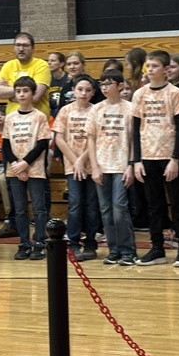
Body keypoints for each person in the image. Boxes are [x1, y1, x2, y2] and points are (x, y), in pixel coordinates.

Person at [132, 50, 179, 268]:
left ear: (166, 70)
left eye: (154, 66)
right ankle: (157, 247)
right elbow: (136, 128)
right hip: (148, 156)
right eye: (148, 66)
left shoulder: (175, 93)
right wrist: (136, 160)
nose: (149, 69)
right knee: (153, 205)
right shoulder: (139, 95)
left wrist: (176, 158)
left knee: (178, 202)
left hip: (170, 157)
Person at [85, 69, 137, 266]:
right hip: (102, 165)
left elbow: (133, 140)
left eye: (108, 84)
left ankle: (128, 250)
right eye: (102, 84)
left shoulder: (130, 108)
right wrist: (95, 167)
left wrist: (131, 165)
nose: (104, 87)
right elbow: (91, 139)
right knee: (105, 210)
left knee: (119, 208)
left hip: (121, 165)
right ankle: (114, 249)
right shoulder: (96, 109)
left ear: (120, 85)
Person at [3, 76, 52, 261]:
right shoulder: (10, 118)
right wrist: (16, 164)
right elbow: (6, 145)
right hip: (15, 170)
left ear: (32, 93)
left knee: (39, 209)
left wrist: (25, 163)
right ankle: (24, 243)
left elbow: (42, 144)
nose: (22, 94)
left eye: (25, 91)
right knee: (20, 209)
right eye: (18, 91)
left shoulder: (39, 117)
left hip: (35, 169)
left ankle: (39, 242)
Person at [52, 73, 100, 261]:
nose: (83, 93)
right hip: (72, 166)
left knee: (91, 205)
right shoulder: (65, 111)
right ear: (73, 90)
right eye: (80, 89)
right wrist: (75, 160)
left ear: (93, 92)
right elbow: (59, 138)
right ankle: (72, 243)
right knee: (75, 204)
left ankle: (90, 243)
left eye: (88, 90)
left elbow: (97, 139)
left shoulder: (96, 110)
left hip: (92, 164)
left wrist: (83, 160)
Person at [0, 33, 51, 117]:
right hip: (13, 121)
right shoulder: (8, 65)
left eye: (25, 45)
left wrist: (10, 94)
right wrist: (27, 92)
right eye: (18, 45)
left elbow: (35, 97)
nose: (21, 49)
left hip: (35, 121)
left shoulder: (41, 65)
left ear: (33, 48)